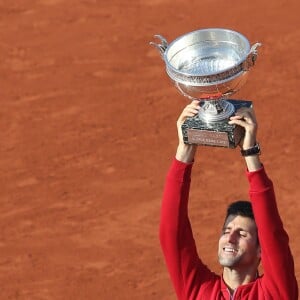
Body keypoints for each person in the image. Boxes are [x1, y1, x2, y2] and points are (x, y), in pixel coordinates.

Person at [159, 100, 298, 299]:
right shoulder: (199, 290)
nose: (229, 239)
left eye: (242, 234)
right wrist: (184, 149)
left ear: (261, 250)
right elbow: (172, 234)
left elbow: (273, 234)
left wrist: (250, 153)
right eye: (226, 231)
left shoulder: (274, 293)